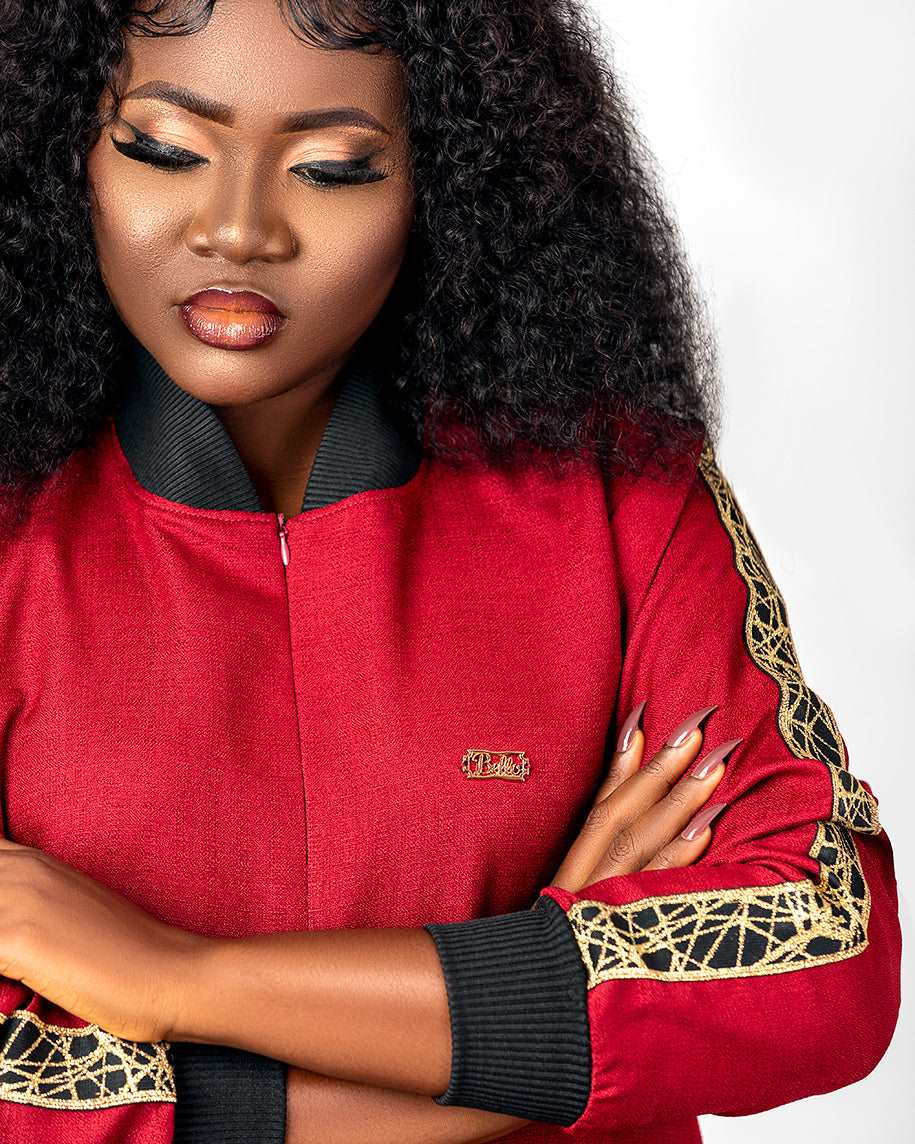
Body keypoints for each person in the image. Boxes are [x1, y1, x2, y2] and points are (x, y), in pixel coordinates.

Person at [0, 2, 901, 1143]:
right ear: (58, 149)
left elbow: (825, 947)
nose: (236, 229)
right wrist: (527, 1005)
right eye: (164, 150)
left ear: (453, 178)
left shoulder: (618, 486)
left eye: (333, 169)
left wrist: (171, 978)